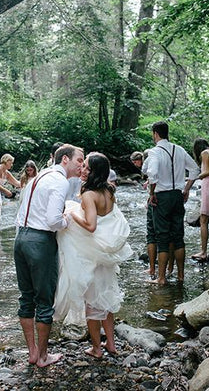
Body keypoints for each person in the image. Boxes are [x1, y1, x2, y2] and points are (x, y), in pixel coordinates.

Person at [54, 152, 132, 359]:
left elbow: (91, 225)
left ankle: (97, 348)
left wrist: (71, 215)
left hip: (93, 252)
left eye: (87, 167)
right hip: (104, 253)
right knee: (106, 295)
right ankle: (111, 344)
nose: (83, 170)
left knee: (93, 301)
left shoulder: (89, 195)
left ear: (95, 171)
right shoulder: (109, 191)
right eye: (83, 165)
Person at [14, 144, 84, 367]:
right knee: (44, 300)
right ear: (65, 160)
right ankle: (43, 357)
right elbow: (53, 221)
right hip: (40, 242)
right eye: (79, 160)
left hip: (20, 239)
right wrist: (68, 219)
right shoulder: (60, 181)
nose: (82, 165)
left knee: (26, 298)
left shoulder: (40, 176)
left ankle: (32, 352)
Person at [145, 121, 200, 285]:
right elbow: (195, 169)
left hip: (162, 197)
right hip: (178, 196)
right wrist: (187, 189)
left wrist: (152, 193)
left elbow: (152, 174)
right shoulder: (180, 149)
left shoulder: (154, 152)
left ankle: (161, 278)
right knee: (178, 236)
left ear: (155, 133)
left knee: (162, 237)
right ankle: (181, 276)